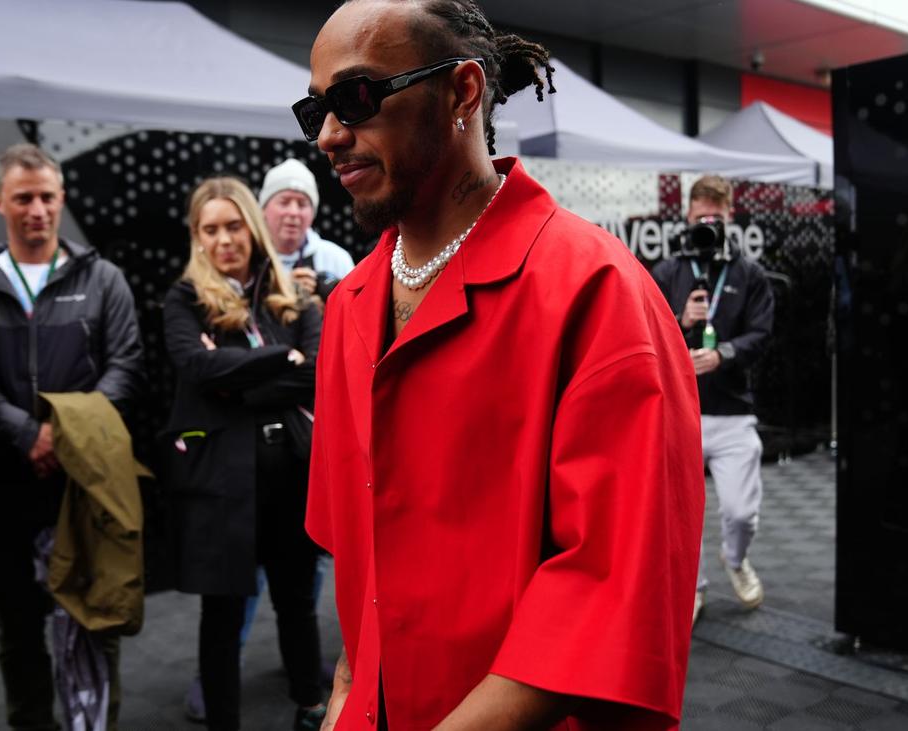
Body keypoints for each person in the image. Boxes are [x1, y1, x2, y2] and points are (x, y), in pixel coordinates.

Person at [296, 2, 705, 729]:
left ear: (463, 91)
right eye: (315, 109)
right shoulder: (351, 305)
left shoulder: (596, 291)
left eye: (355, 97)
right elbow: (362, 572)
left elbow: (610, 593)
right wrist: (343, 698)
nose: (329, 133)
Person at [0, 143, 143, 731]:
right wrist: (25, 434)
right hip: (4, 484)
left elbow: (126, 367)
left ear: (61, 198)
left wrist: (62, 435)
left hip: (84, 483)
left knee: (92, 620)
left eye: (46, 197)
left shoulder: (103, 279)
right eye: (23, 198)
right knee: (18, 631)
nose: (37, 210)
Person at [164, 177, 325, 731]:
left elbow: (318, 374)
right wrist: (284, 359)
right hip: (222, 485)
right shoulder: (186, 300)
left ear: (252, 228)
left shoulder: (294, 296)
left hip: (291, 475)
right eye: (210, 230)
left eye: (233, 226)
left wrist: (235, 385)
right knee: (222, 615)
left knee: (297, 604)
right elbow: (197, 367)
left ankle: (311, 707)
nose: (224, 240)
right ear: (197, 236)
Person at [651, 175, 775, 624]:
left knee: (741, 512)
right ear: (687, 216)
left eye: (715, 218)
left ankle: (736, 559)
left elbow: (762, 334)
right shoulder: (667, 272)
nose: (707, 224)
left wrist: (724, 353)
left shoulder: (749, 273)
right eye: (701, 217)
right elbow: (644, 329)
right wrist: (681, 320)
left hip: (733, 412)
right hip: (679, 412)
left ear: (729, 217)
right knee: (682, 514)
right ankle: (694, 586)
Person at [259, 158, 355, 301]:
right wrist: (282, 290)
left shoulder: (336, 259)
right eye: (284, 202)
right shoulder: (251, 256)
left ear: (313, 214)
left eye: (302, 204)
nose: (293, 212)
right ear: (263, 209)